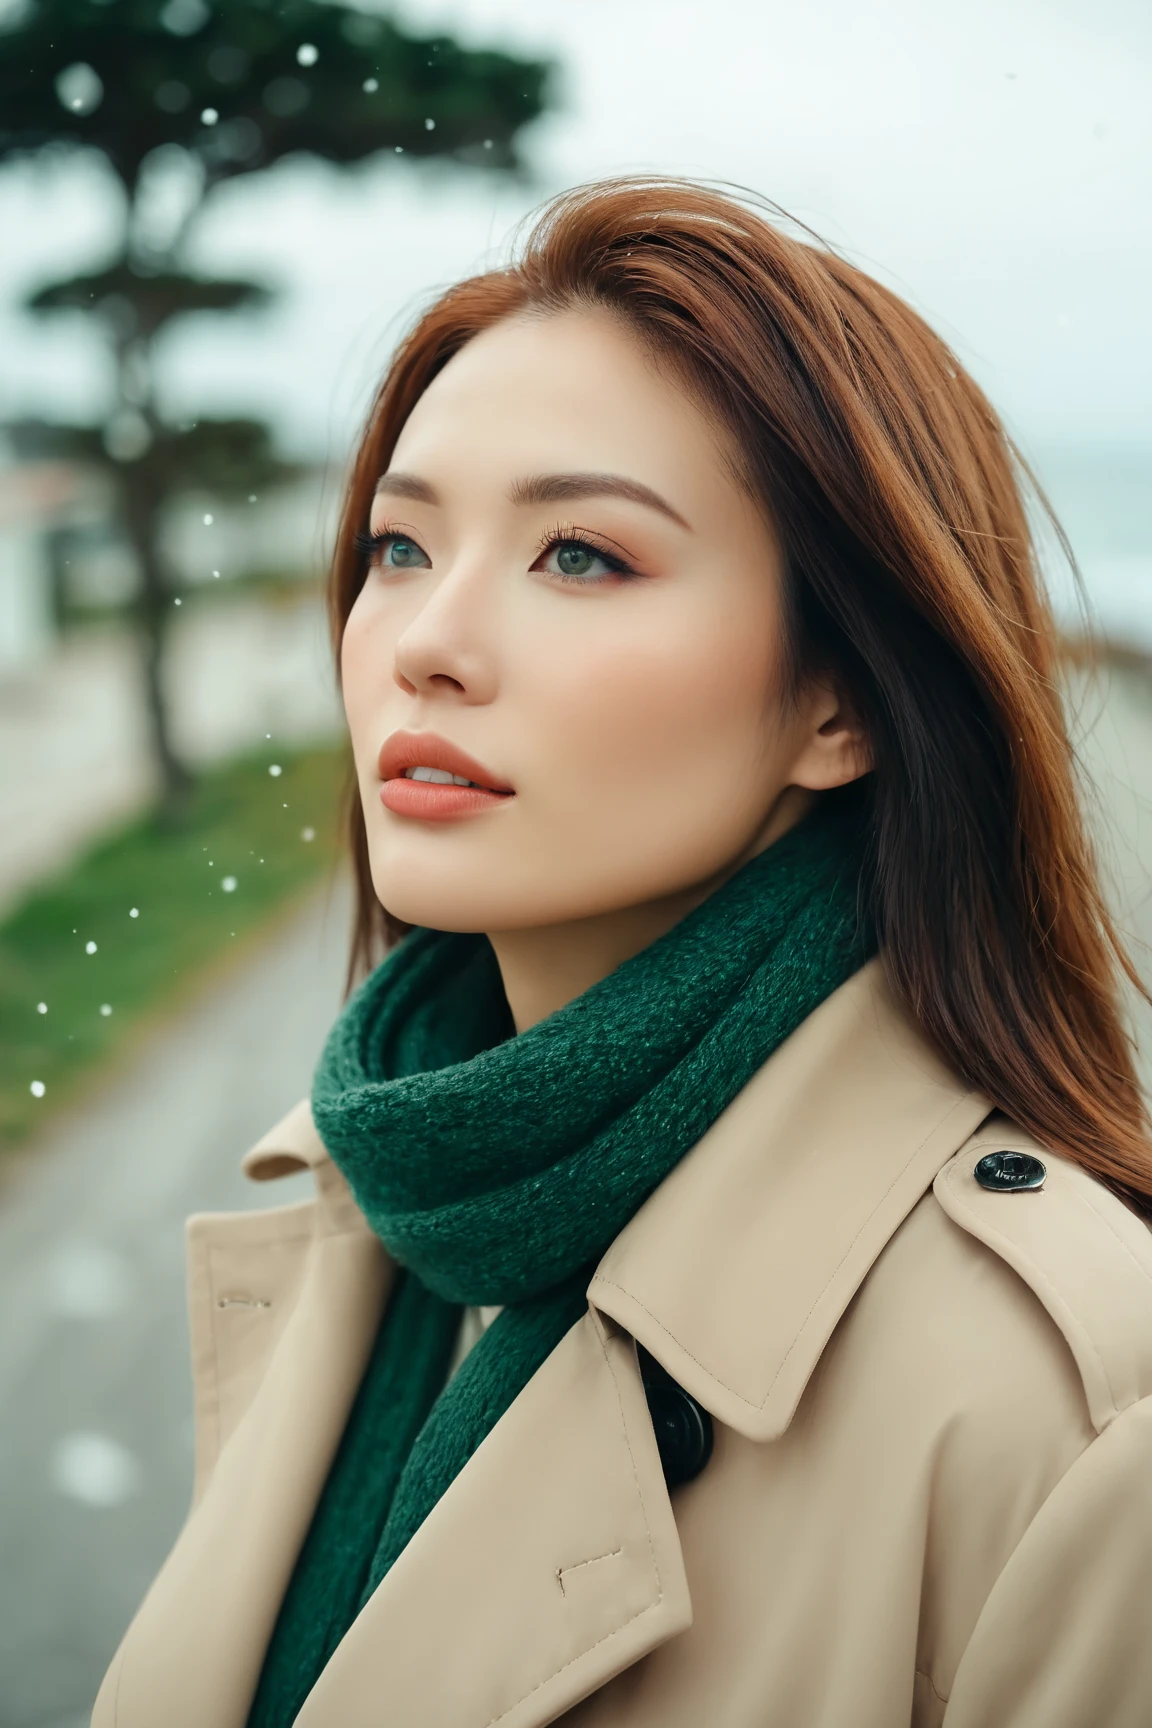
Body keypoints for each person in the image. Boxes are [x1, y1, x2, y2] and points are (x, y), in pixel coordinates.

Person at [93, 178, 1152, 1728]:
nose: (426, 642)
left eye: (580, 555)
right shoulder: (396, 1197)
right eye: (398, 546)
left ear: (840, 701)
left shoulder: (1068, 1411)